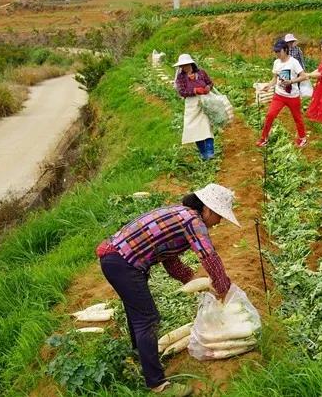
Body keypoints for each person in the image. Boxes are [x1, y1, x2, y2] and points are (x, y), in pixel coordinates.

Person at [97, 183, 240, 396]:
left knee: (136, 313)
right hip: (124, 264)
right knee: (147, 319)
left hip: (115, 260)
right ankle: (158, 384)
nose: (219, 222)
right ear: (207, 209)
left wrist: (191, 280)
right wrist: (222, 286)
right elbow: (209, 256)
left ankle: (140, 356)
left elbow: (170, 260)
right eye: (219, 216)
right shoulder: (194, 220)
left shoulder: (179, 214)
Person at [256, 39, 308, 148]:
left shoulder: (294, 62)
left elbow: (304, 76)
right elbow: (275, 79)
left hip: (292, 96)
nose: (277, 54)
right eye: (275, 51)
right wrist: (268, 86)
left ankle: (303, 138)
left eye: (279, 51)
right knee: (270, 115)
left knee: (297, 118)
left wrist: (291, 81)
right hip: (279, 95)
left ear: (285, 50)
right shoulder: (276, 62)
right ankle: (264, 138)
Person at [174, 53, 215, 160]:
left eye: (186, 64)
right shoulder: (181, 78)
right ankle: (203, 153)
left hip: (205, 101)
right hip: (192, 105)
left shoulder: (201, 73)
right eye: (182, 65)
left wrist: (207, 88)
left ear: (191, 64)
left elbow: (210, 83)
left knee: (207, 125)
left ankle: (210, 152)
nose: (185, 67)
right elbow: (182, 92)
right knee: (195, 128)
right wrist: (195, 90)